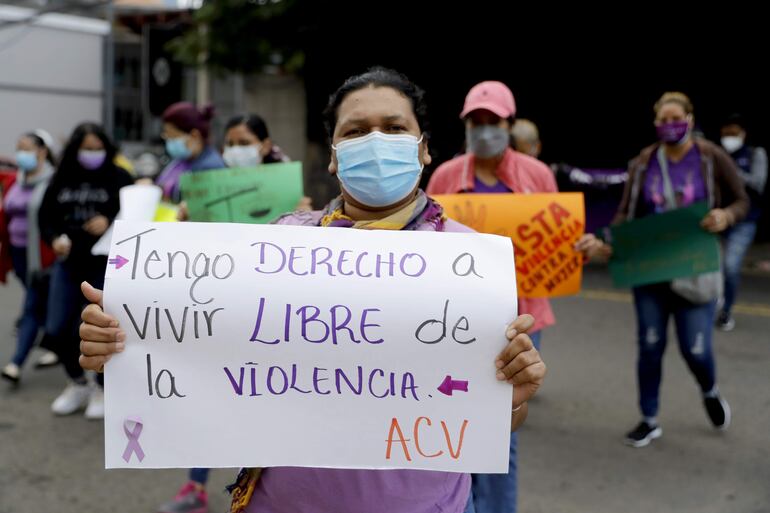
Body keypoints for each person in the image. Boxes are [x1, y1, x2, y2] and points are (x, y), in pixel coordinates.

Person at [78, 67, 547, 513]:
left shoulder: (471, 263)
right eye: (356, 131)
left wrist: (513, 397)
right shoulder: (280, 244)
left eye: (395, 128)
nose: (376, 141)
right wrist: (122, 342)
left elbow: (495, 421)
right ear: (333, 153)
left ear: (424, 148)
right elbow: (202, 342)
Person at [576, 92, 748, 448]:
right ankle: (649, 418)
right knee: (650, 345)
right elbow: (626, 213)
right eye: (663, 120)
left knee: (695, 349)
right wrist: (609, 240)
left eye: (676, 118)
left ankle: (709, 388)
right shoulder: (643, 163)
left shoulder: (711, 157)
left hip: (695, 266)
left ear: (689, 117)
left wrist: (726, 216)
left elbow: (741, 199)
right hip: (651, 267)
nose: (670, 126)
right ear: (656, 124)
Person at [426, 82, 557, 513]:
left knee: (503, 428)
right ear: (465, 125)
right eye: (476, 122)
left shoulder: (536, 176)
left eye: (493, 122)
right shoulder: (445, 176)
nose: (484, 130)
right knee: (456, 420)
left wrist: (576, 247)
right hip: (456, 319)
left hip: (519, 318)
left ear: (509, 124)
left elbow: (556, 239)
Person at [38, 122, 134, 418]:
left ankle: (103, 387)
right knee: (57, 327)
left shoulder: (119, 178)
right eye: (86, 149)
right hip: (68, 264)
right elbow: (45, 217)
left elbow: (137, 216)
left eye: (97, 148)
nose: (92, 154)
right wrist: (54, 239)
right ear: (75, 149)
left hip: (106, 266)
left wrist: (109, 222)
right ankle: (77, 382)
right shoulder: (61, 178)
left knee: (100, 328)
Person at [1, 130, 57, 384]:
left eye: (27, 148)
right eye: (19, 147)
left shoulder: (53, 181)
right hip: (18, 252)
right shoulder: (16, 180)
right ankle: (57, 344)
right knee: (43, 302)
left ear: (42, 151)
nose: (21, 153)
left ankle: (16, 362)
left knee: (31, 306)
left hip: (43, 256)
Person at [716, 114, 767, 330]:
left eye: (734, 133)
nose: (729, 138)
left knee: (730, 266)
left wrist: (731, 171)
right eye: (726, 133)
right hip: (718, 220)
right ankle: (714, 303)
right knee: (711, 266)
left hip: (744, 221)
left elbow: (757, 184)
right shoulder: (715, 155)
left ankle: (726, 310)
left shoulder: (755, 154)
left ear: (743, 134)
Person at [154, 102, 226, 203]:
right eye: (166, 136)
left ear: (194, 135)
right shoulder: (182, 161)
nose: (168, 141)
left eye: (172, 136)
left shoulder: (210, 167)